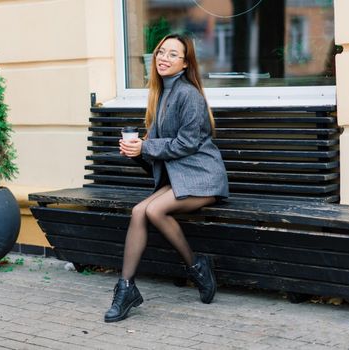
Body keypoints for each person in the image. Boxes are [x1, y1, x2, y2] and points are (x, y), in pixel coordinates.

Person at [104, 34, 229, 323]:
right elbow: (159, 152)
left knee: (153, 209)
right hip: (180, 178)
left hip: (203, 177)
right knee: (139, 211)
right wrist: (136, 151)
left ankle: (197, 266)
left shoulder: (189, 95)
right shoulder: (161, 94)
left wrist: (146, 146)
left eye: (173, 55)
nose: (164, 58)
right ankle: (126, 289)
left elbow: (186, 144)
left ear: (185, 64)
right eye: (162, 52)